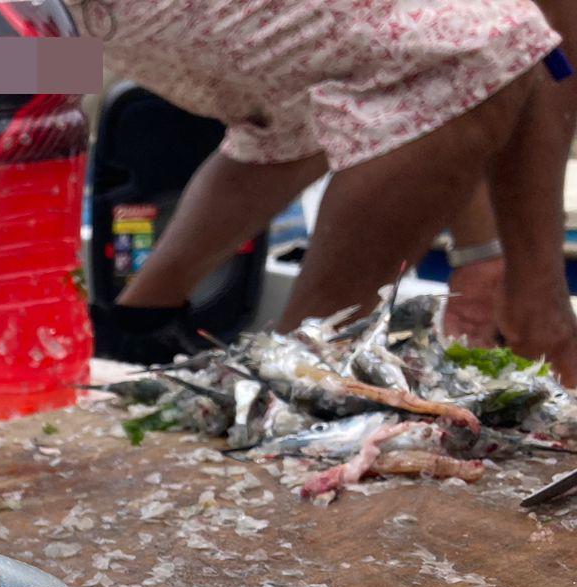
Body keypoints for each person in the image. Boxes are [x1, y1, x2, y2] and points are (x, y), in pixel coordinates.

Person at [87, 0, 577, 383]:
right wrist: (499, 268)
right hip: (64, 37)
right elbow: (476, 60)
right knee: (477, 46)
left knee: (323, 95)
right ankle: (295, 379)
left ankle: (135, 324)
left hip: (51, 33)